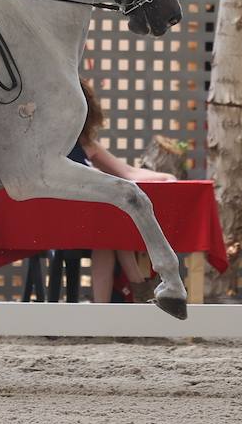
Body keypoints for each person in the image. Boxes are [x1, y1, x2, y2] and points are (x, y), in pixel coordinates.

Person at [67, 77, 175, 302]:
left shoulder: (86, 143)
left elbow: (127, 173)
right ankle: (138, 283)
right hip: (68, 220)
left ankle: (103, 314)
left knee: (107, 239)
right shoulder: (52, 145)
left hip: (96, 223)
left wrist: (164, 177)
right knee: (112, 226)